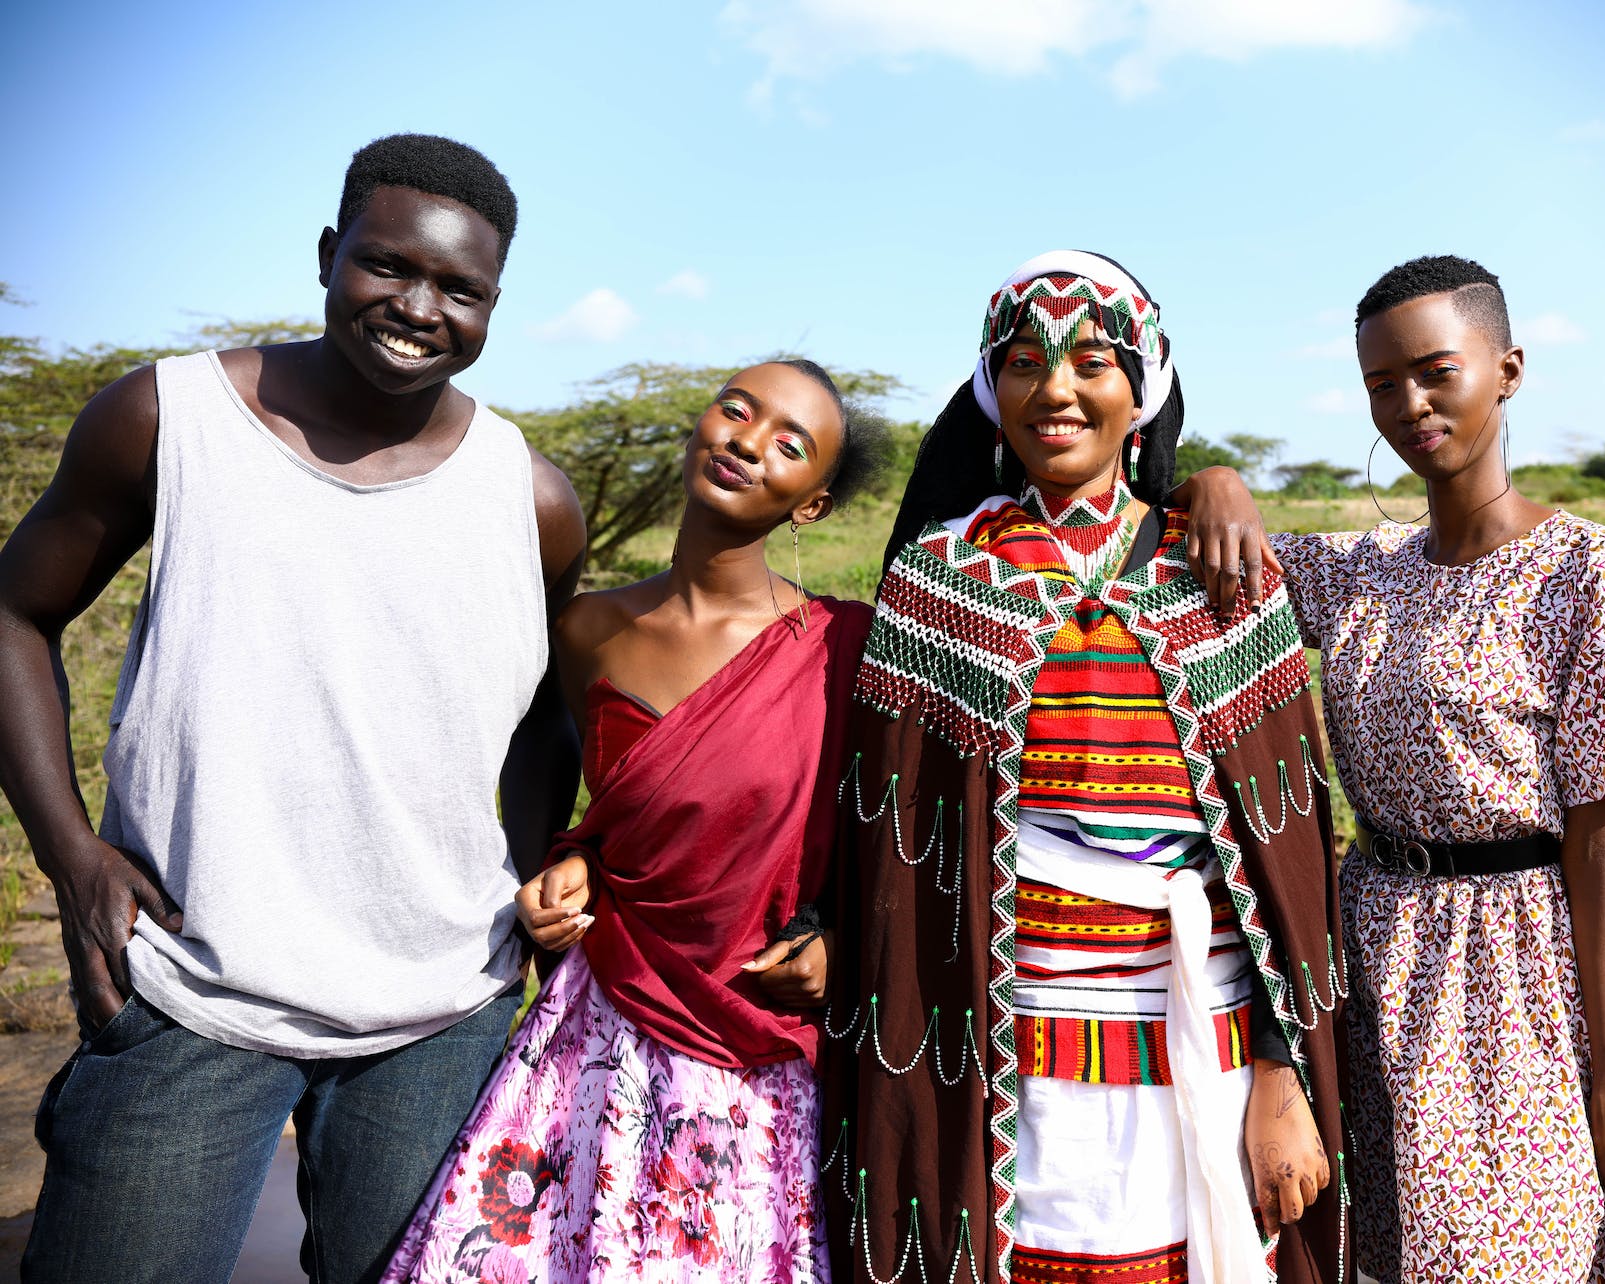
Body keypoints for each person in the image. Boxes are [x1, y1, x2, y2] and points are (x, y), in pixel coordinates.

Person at [0, 134, 588, 1283]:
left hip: (441, 1016)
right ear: (328, 254)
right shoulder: (166, 418)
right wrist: (74, 860)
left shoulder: (530, 497)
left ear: (493, 306)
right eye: (387, 267)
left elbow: (543, 722)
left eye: (460, 291)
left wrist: (513, 890)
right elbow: (15, 616)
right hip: (190, 991)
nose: (418, 307)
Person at [825, 251, 1348, 1284]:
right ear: (989, 389)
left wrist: (1283, 1079)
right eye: (1022, 361)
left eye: (1092, 361)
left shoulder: (1227, 577)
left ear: (1142, 386)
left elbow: (1293, 870)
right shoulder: (938, 580)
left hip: (1210, 1049)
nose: (1055, 389)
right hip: (1000, 1066)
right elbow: (887, 871)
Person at [382, 359, 886, 1284]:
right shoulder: (585, 629)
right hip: (601, 1024)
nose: (746, 440)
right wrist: (558, 868)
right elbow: (608, 807)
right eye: (736, 410)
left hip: (759, 1036)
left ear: (810, 504)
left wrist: (843, 940)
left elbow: (871, 839)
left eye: (789, 443)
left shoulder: (843, 648)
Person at [1238, 255, 1605, 1281]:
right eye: (1380, 385)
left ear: (1507, 368)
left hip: (1513, 970)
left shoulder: (1589, 571)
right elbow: (1193, 546)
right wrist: (1214, 481)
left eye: (1434, 371)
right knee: (1382, 1251)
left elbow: (1600, 844)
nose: (1409, 404)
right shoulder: (1353, 575)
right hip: (1367, 951)